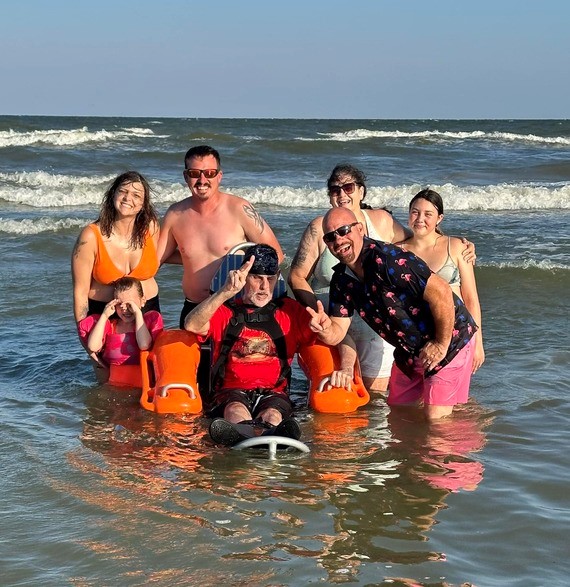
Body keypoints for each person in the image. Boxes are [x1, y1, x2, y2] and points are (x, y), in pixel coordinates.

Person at [289, 163, 475, 393]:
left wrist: (453, 245)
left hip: (383, 324)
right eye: (335, 190)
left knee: (379, 396)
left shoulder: (381, 225)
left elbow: (417, 244)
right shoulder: (321, 229)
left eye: (348, 187)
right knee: (373, 401)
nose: (342, 194)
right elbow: (296, 276)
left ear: (361, 191)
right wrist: (319, 312)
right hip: (340, 316)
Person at [308, 207, 478, 421]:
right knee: (399, 415)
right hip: (408, 351)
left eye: (344, 231)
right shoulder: (342, 280)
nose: (339, 240)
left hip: (449, 338)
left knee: (437, 422)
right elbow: (338, 332)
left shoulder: (388, 260)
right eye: (331, 237)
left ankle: (468, 442)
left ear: (360, 229)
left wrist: (440, 344)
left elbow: (442, 292)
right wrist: (324, 329)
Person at [184, 244, 316, 446]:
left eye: (270, 279)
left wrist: (324, 328)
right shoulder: (225, 311)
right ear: (244, 275)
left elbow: (331, 337)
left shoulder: (290, 312)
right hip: (231, 391)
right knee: (235, 410)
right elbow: (191, 324)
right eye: (256, 278)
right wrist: (225, 292)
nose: (264, 287)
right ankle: (243, 435)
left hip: (273, 392)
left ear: (277, 277)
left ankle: (268, 435)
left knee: (272, 415)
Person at [158, 145, 284, 329]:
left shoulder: (240, 209)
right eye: (195, 173)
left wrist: (238, 268)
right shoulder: (175, 214)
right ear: (186, 176)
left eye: (209, 173)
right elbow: (156, 259)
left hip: (235, 309)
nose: (202, 180)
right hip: (194, 309)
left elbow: (276, 255)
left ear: (219, 176)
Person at [71, 171, 160, 379]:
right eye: (123, 191)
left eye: (137, 195)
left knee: (148, 377)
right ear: (113, 194)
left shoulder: (151, 228)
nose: (129, 198)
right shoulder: (91, 236)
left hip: (147, 311)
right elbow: (80, 292)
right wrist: (87, 344)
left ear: (144, 203)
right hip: (105, 315)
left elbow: (165, 254)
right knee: (108, 380)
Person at [395, 188, 485, 373]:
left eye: (428, 214)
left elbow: (471, 298)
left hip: (455, 336)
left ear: (439, 219)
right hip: (414, 340)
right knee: (407, 401)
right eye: (415, 212)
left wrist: (478, 344)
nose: (420, 219)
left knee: (449, 400)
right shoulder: (396, 251)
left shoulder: (457, 247)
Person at [77, 277, 164, 383]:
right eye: (119, 304)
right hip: (115, 383)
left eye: (130, 304)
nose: (125, 309)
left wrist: (138, 314)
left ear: (143, 301)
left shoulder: (145, 325)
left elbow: (144, 345)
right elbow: (93, 346)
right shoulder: (110, 327)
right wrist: (104, 316)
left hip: (142, 381)